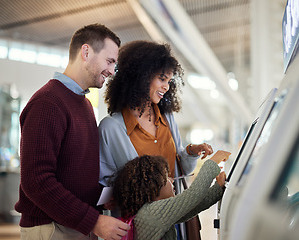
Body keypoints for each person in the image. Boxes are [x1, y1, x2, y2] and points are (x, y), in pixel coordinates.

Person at [15, 23, 130, 240]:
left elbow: (72, 173)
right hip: (52, 228)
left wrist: (99, 196)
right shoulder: (48, 102)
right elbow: (37, 181)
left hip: (75, 226)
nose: (112, 71)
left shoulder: (83, 103)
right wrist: (94, 221)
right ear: (86, 52)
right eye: (109, 61)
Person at [99, 40, 214, 188]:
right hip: (139, 212)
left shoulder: (167, 118)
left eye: (169, 81)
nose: (166, 87)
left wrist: (191, 152)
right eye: (162, 79)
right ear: (142, 76)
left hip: (175, 209)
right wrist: (150, 186)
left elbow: (180, 169)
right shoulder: (110, 128)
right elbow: (106, 182)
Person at [112, 150, 231, 239]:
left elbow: (192, 207)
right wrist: (213, 161)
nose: (172, 180)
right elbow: (192, 195)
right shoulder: (151, 213)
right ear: (153, 188)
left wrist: (218, 188)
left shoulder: (146, 213)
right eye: (166, 178)